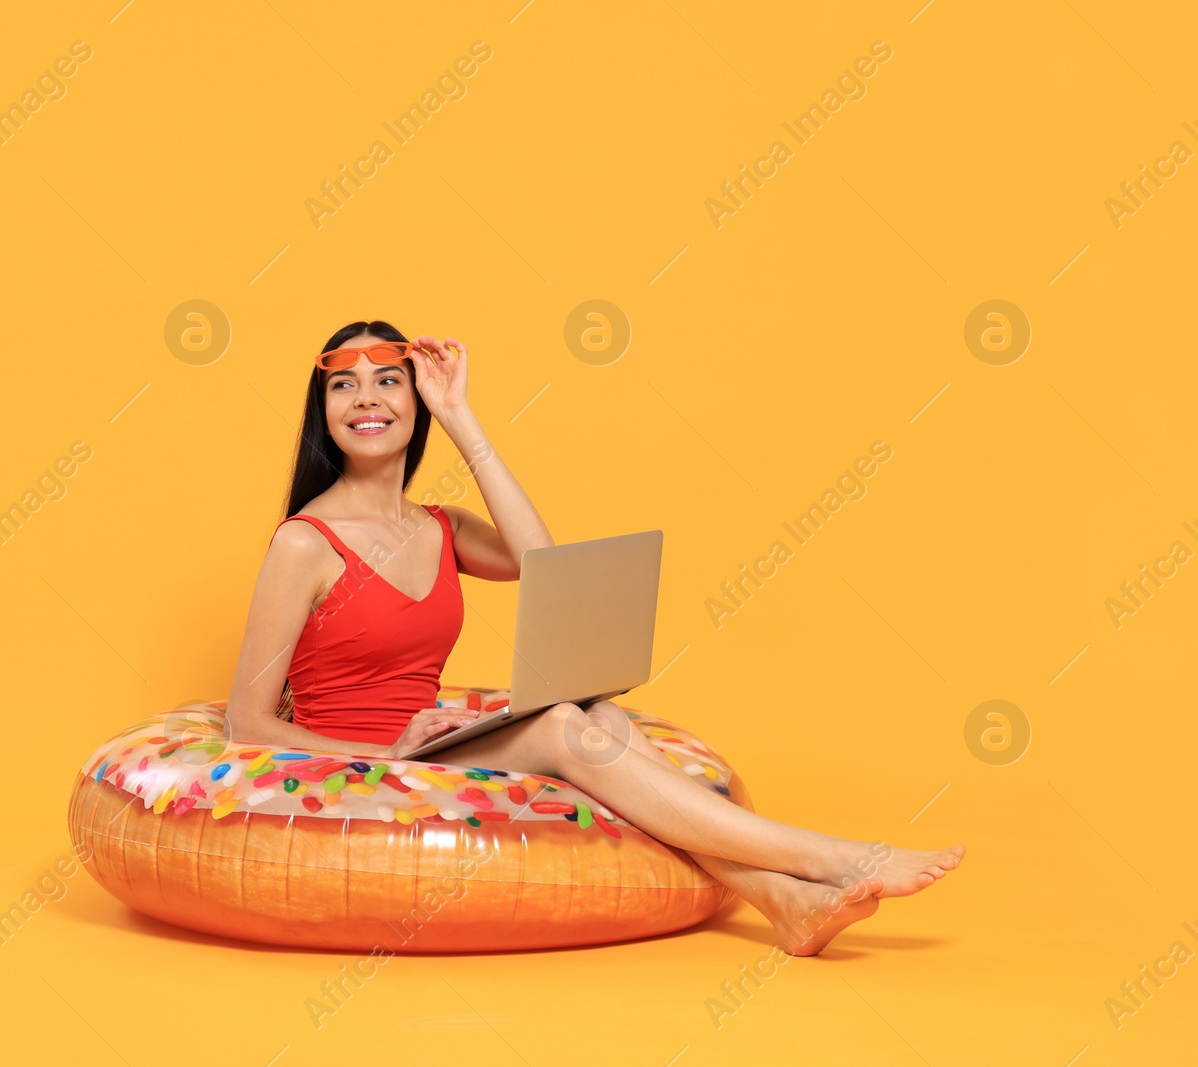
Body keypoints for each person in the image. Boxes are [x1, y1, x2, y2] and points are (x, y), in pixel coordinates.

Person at [225, 319, 964, 955]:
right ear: (323, 412)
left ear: (415, 400)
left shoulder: (438, 528)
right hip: (373, 761)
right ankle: (830, 857)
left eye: (389, 381)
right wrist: (387, 751)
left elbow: (541, 565)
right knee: (561, 731)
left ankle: (783, 900)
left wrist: (462, 416)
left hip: (438, 740)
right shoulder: (305, 542)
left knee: (602, 716)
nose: (366, 400)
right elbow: (247, 722)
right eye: (343, 386)